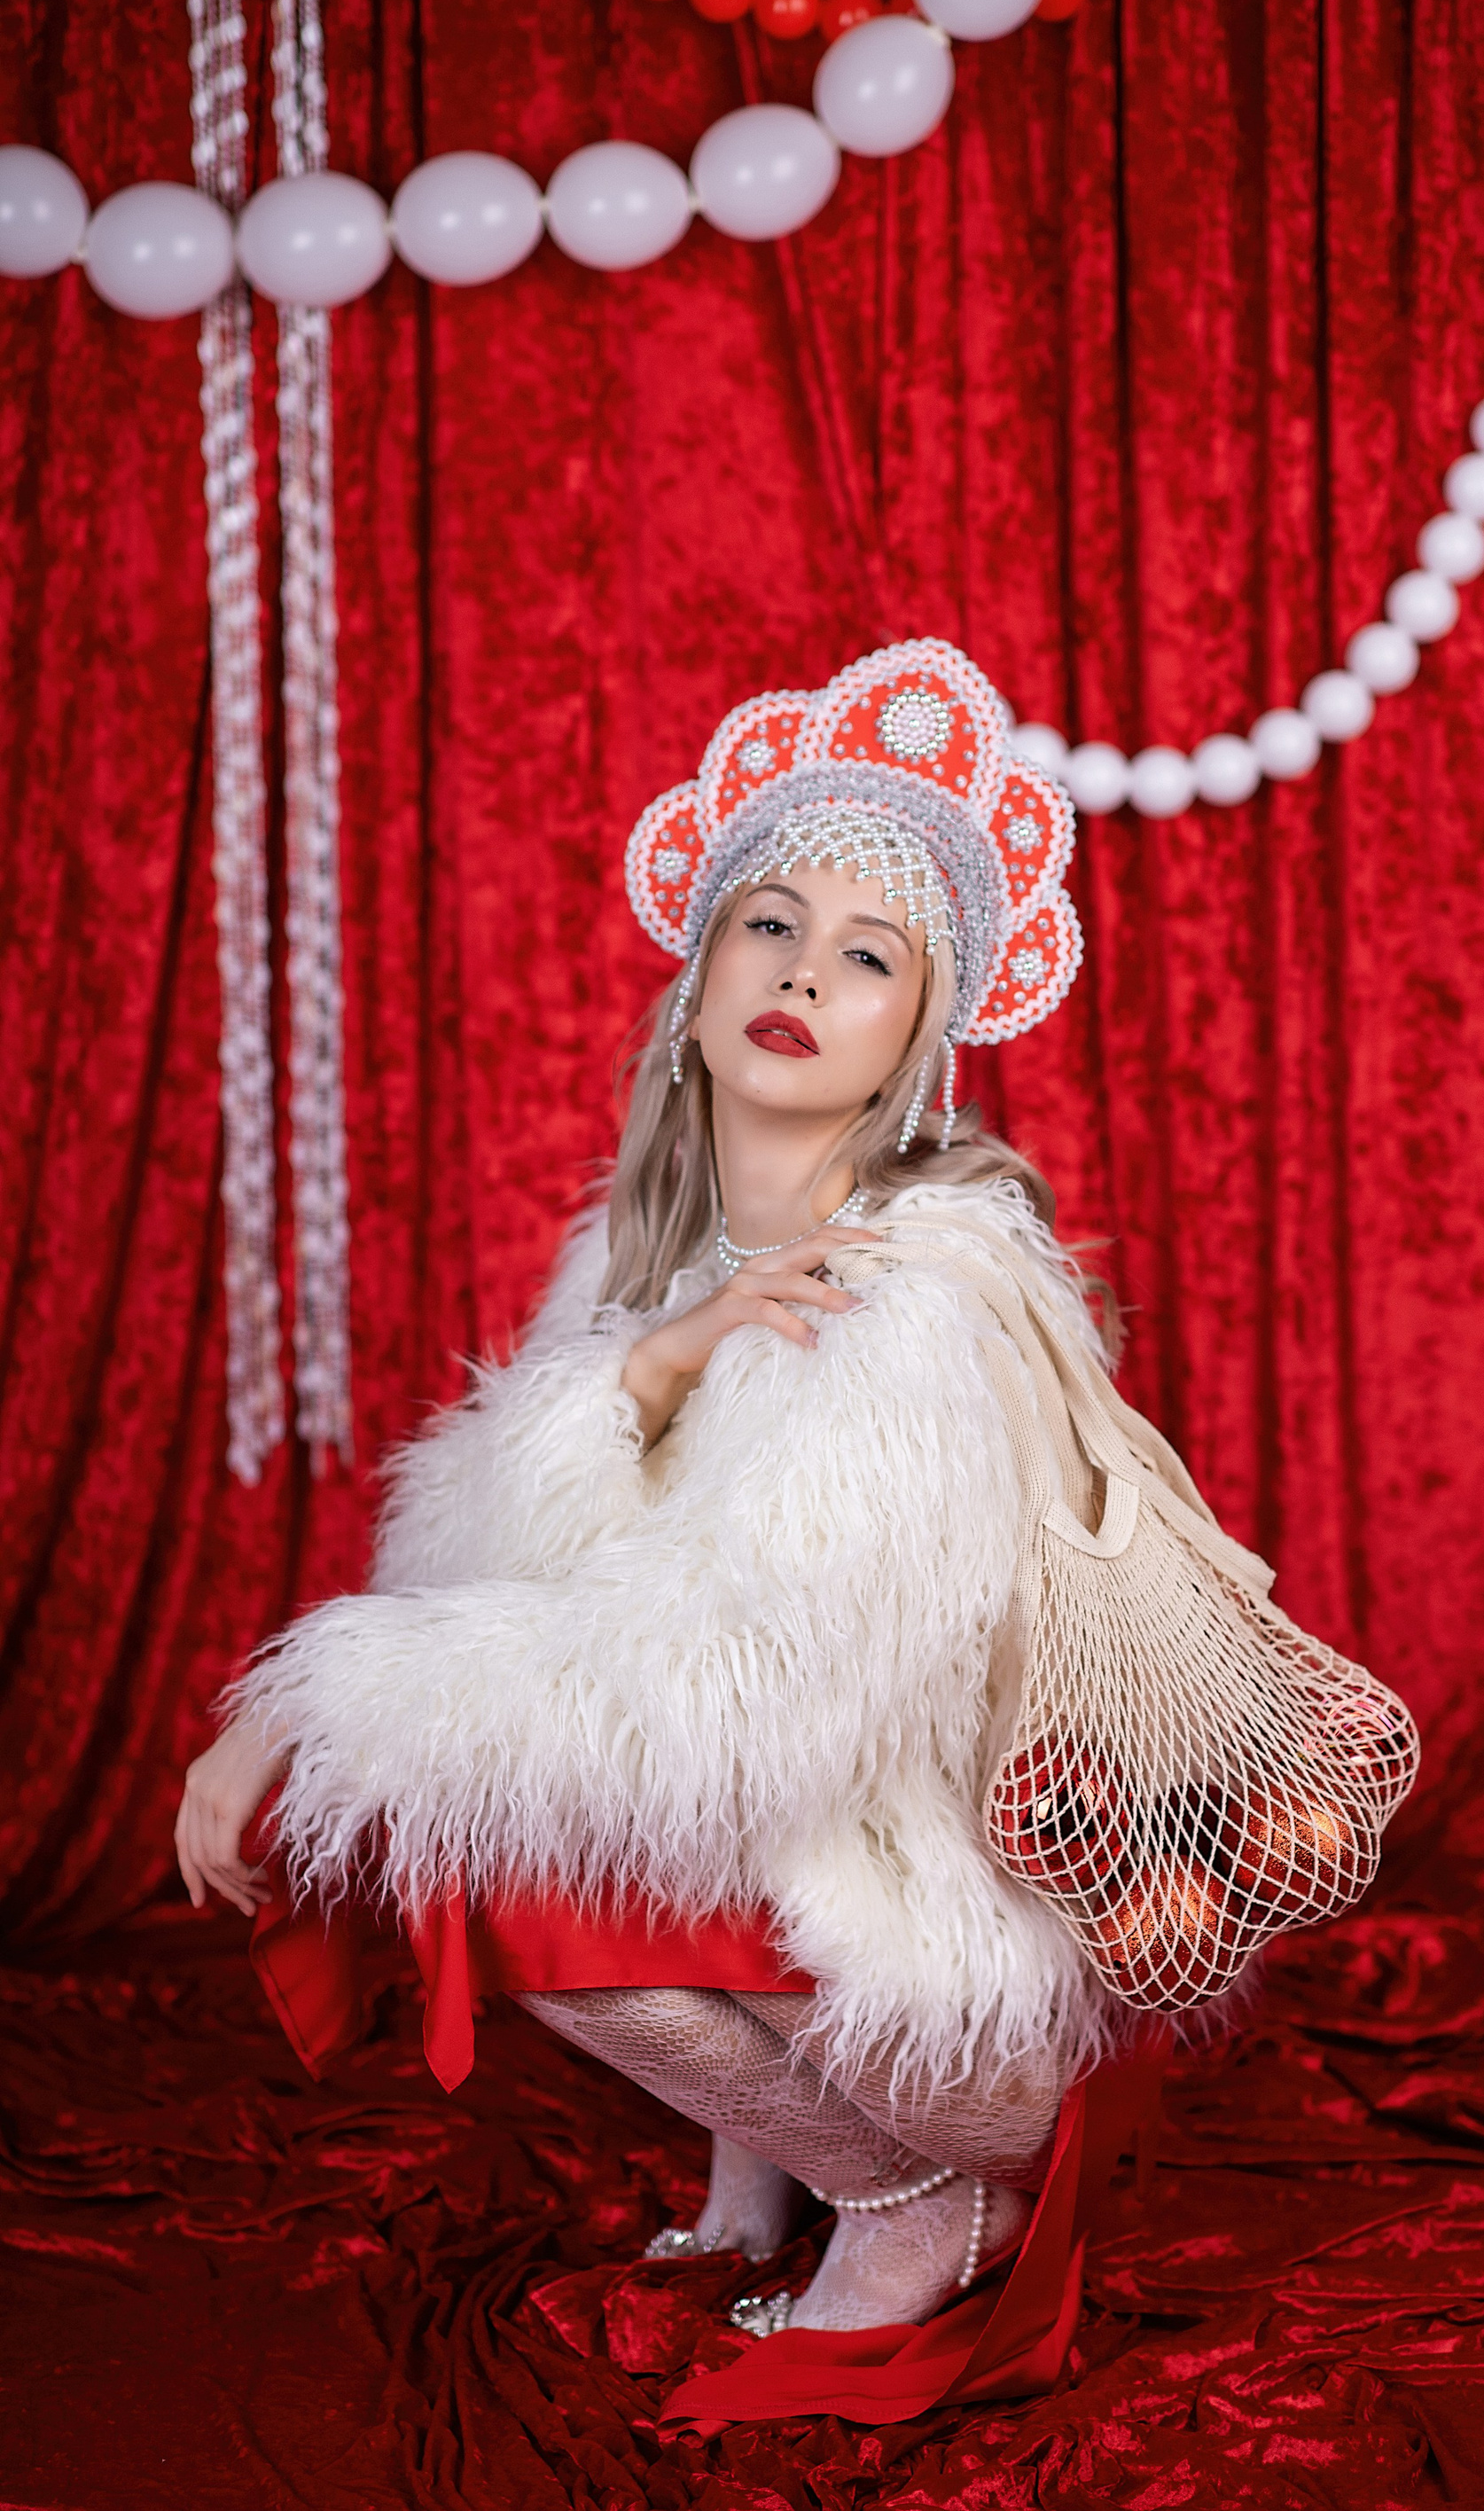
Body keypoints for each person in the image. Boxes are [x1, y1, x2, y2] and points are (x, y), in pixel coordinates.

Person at [173, 641, 1410, 2413]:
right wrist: (647, 1366)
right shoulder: (648, 1270)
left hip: (937, 1990)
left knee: (506, 1871)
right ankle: (759, 2158)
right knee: (521, 1784)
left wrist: (307, 1708)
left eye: (869, 955)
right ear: (695, 990)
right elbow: (494, 1564)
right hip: (804, 1900)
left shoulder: (905, 1303)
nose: (805, 971)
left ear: (917, 1049)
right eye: (771, 924)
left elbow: (730, 1704)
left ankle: (911, 2195)